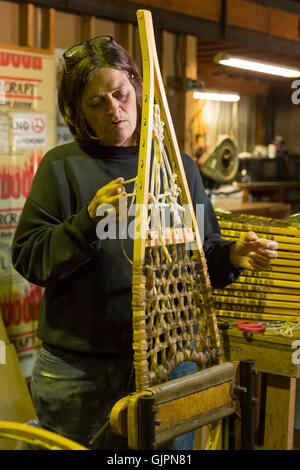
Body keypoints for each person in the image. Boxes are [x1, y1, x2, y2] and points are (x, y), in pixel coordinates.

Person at [11, 36, 278, 450]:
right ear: (78, 109)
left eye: (120, 94)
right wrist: (86, 223)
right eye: (95, 102)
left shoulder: (178, 168)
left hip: (168, 365)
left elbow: (202, 254)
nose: (113, 110)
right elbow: (30, 259)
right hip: (81, 372)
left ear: (136, 88)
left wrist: (232, 256)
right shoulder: (62, 167)